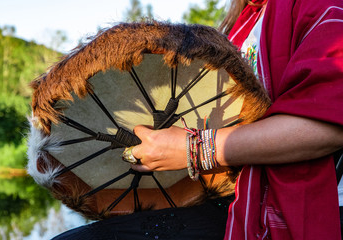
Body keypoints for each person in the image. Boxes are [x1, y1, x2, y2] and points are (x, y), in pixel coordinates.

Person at [129, 0, 343, 239]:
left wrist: (195, 148)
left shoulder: (323, 5)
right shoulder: (242, 24)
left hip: (318, 207)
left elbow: (330, 126)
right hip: (234, 202)